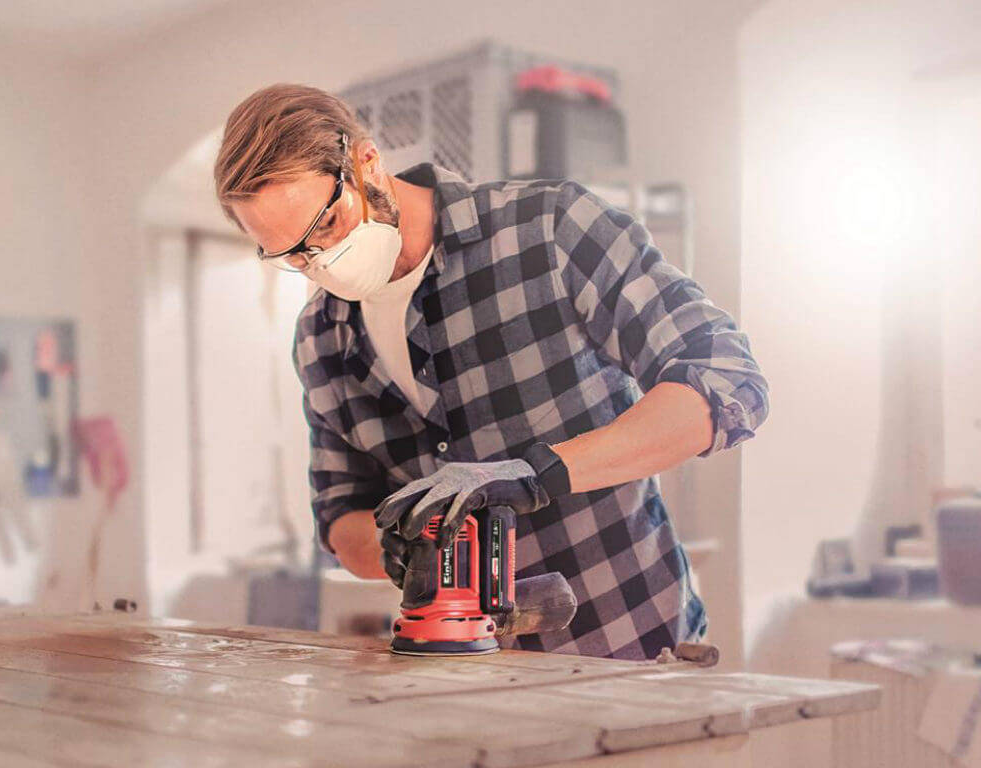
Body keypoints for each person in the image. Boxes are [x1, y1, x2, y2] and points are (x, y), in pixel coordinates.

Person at [213, 83, 769, 659]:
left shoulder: (550, 231)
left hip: (631, 651)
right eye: (292, 255)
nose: (318, 261)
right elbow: (339, 517)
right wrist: (394, 547)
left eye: (325, 226)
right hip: (465, 684)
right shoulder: (320, 339)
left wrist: (537, 474)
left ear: (366, 164)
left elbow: (726, 380)